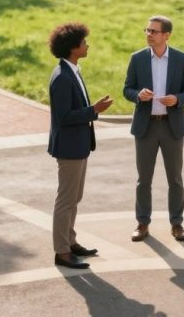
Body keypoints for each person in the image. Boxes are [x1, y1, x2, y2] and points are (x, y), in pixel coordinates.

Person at [123, 15, 184, 243]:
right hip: (146, 127)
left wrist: (177, 99)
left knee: (175, 178)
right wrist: (138, 95)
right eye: (147, 30)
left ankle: (177, 224)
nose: (149, 34)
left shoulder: (181, 59)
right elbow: (127, 89)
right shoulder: (137, 59)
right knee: (143, 179)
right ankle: (142, 224)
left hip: (171, 127)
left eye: (154, 31)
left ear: (166, 35)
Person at [47, 22, 113, 270]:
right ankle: (61, 252)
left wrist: (91, 110)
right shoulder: (63, 77)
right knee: (66, 200)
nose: (87, 45)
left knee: (75, 197)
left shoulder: (72, 70)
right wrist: (93, 110)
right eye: (84, 42)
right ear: (73, 47)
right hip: (69, 147)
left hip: (78, 145)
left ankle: (70, 241)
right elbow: (64, 117)